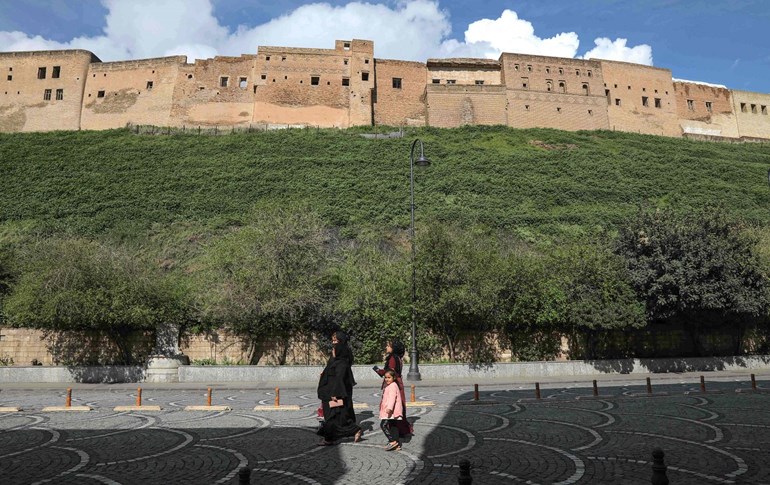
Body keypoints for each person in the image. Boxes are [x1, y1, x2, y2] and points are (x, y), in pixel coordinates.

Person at [317, 330, 362, 445]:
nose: (333, 347)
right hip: (330, 392)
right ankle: (330, 437)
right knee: (333, 417)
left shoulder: (342, 363)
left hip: (335, 394)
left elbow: (339, 380)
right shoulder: (336, 361)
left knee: (335, 417)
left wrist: (334, 394)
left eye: (335, 343)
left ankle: (353, 430)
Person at [373, 339, 413, 435]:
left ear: (393, 348)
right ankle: (401, 429)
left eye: (388, 346)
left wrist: (377, 370)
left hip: (394, 384)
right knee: (399, 405)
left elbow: (390, 373)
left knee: (393, 405)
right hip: (398, 383)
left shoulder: (392, 358)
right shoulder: (398, 357)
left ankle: (397, 431)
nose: (386, 347)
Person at [379, 369, 404, 451]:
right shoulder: (391, 385)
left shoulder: (393, 386)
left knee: (383, 425)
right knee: (393, 426)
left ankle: (392, 441)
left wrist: (389, 408)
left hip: (390, 411)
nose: (387, 379)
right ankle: (397, 444)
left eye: (389, 377)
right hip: (391, 411)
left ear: (393, 378)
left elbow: (392, 398)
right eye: (385, 377)